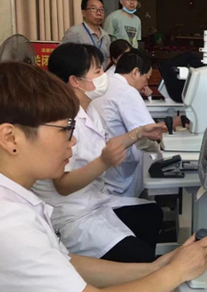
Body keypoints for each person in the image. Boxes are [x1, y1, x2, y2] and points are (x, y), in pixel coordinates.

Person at [0, 61, 207, 292]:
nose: (73, 140)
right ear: (10, 138)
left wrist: (157, 267)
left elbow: (65, 263)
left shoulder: (17, 200)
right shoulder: (9, 223)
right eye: (64, 130)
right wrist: (177, 272)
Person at [31, 43, 167, 264]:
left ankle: (132, 273)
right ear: (75, 80)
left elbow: (107, 143)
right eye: (97, 71)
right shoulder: (59, 119)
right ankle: (130, 278)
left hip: (93, 201)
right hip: (71, 215)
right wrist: (104, 162)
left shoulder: (89, 109)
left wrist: (139, 132)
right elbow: (62, 185)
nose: (104, 76)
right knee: (139, 254)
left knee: (151, 214)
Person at [92, 50, 173, 197]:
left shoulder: (107, 84)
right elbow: (147, 135)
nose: (145, 84)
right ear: (135, 72)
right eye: (146, 78)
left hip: (104, 167)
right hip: (121, 174)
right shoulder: (127, 92)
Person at [62, 0, 111, 66]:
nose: (99, 13)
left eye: (101, 9)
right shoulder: (74, 32)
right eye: (93, 9)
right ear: (83, 12)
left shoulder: (106, 36)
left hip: (101, 75)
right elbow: (62, 56)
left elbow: (108, 59)